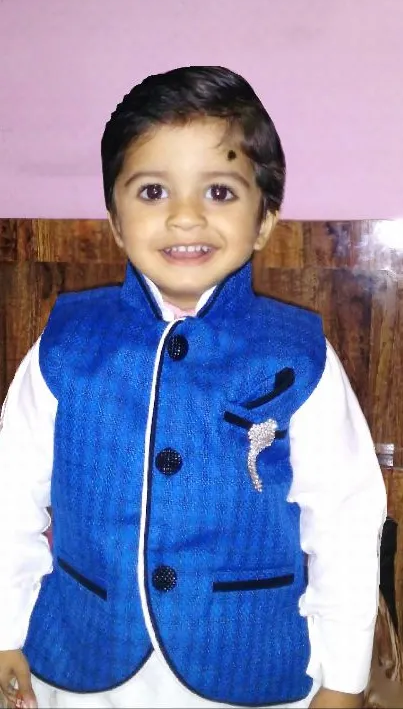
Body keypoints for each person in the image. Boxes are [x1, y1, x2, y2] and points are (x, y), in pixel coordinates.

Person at [0, 66, 386, 709]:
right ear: (115, 219)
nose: (185, 217)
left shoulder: (299, 355)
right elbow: (8, 494)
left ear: (264, 220)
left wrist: (344, 680)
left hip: (248, 661)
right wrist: (6, 626)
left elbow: (345, 523)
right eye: (152, 192)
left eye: (220, 192)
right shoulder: (66, 344)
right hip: (84, 654)